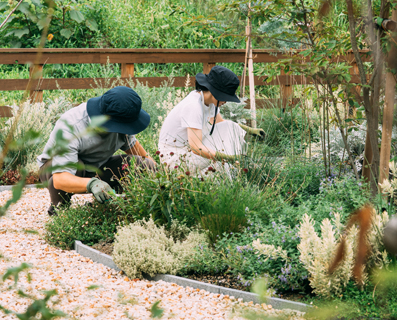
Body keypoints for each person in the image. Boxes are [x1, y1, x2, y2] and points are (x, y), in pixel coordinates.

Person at [38, 86, 155, 216]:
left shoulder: (122, 121)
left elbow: (145, 158)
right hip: (55, 171)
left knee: (143, 165)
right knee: (77, 165)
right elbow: (60, 179)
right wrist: (92, 183)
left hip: (97, 166)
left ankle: (117, 208)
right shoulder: (72, 125)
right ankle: (60, 208)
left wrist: (164, 183)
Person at [158, 66, 264, 172]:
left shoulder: (209, 101)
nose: (226, 101)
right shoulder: (193, 106)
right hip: (174, 158)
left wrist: (249, 131)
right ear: (215, 91)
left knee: (230, 128)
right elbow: (196, 148)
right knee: (221, 148)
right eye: (225, 96)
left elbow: (221, 124)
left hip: (187, 150)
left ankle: (230, 170)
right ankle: (223, 174)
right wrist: (227, 157)